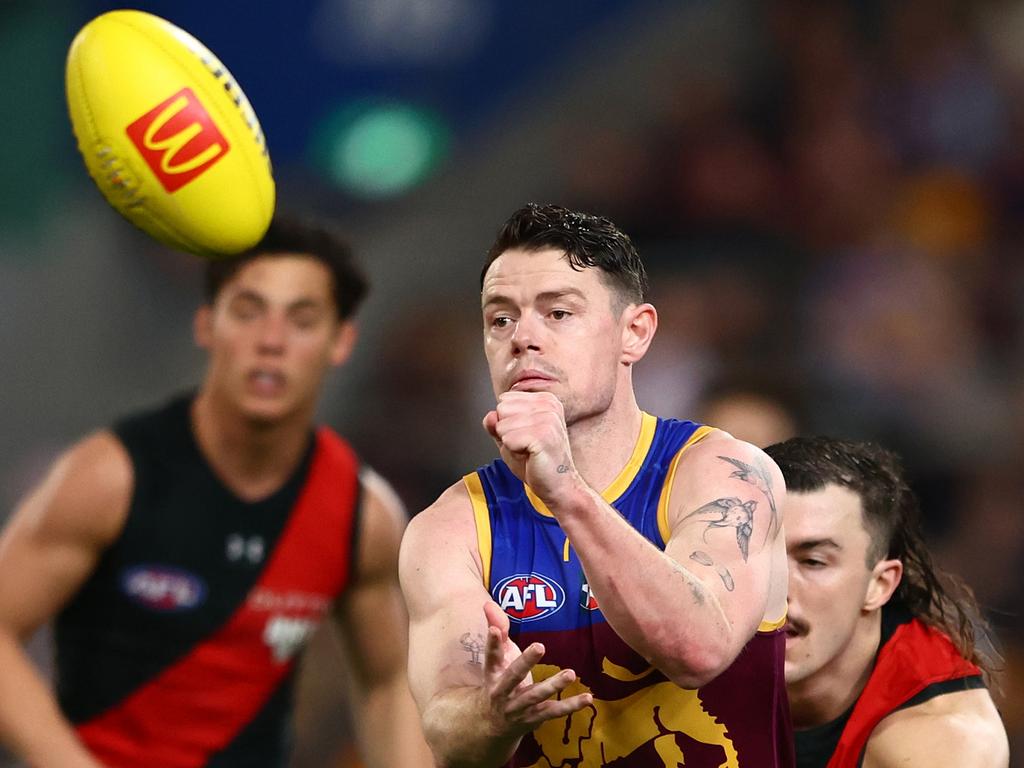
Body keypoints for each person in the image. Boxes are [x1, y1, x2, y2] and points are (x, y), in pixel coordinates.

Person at [0, 217, 431, 767]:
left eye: (302, 320)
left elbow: (388, 681)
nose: (271, 342)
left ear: (340, 341)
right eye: (248, 312)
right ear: (207, 325)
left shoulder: (360, 513)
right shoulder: (113, 477)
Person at [400, 203, 794, 767]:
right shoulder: (450, 527)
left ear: (635, 333)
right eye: (500, 319)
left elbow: (699, 650)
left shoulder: (723, 474)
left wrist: (565, 491)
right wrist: (491, 716)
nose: (523, 339)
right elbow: (446, 730)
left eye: (558, 313)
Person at [764, 436, 1009, 767]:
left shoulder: (943, 740)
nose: (778, 587)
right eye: (760, 554)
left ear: (878, 585)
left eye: (813, 562)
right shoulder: (687, 646)